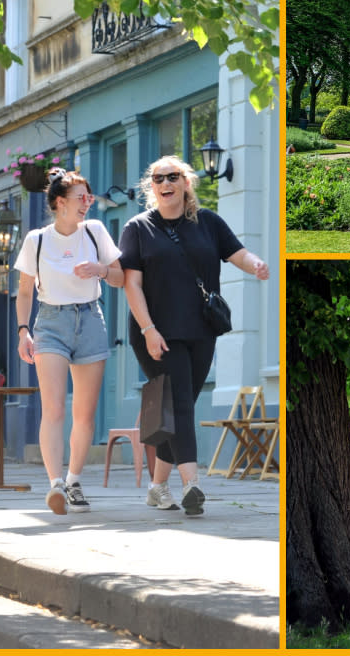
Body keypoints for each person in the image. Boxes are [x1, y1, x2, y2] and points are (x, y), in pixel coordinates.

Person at [119, 155, 270, 516]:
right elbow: (131, 284)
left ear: (186, 183)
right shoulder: (138, 228)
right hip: (156, 332)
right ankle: (192, 485)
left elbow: (237, 253)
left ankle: (157, 488)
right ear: (151, 187)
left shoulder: (208, 223)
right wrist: (149, 329)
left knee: (176, 409)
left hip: (202, 328)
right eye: (158, 178)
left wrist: (256, 265)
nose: (165, 183)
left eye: (173, 176)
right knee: (182, 403)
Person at [14, 168, 124, 515]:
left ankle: (74, 480)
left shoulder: (95, 231)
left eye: (89, 197)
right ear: (60, 203)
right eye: (82, 198)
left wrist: (100, 271)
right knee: (54, 408)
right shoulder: (38, 240)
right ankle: (55, 484)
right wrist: (23, 331)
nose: (88, 204)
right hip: (50, 324)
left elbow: (121, 278)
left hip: (90, 318)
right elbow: (24, 291)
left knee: (85, 412)